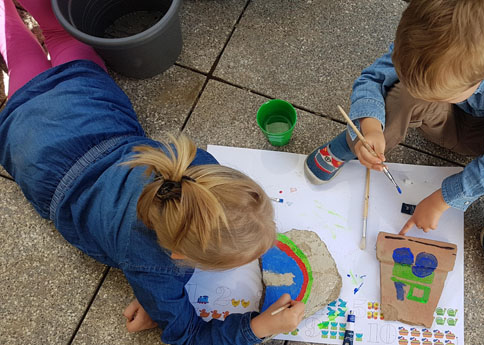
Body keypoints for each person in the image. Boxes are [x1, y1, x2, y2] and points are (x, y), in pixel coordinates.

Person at [0, 0, 304, 343]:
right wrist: (258, 328)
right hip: (33, 139)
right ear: (179, 257)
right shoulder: (153, 266)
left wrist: (156, 295)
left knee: (61, 39)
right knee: (36, 50)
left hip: (90, 107)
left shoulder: (196, 167)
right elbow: (186, 335)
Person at [304, 0, 484, 306]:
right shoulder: (427, 32)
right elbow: (374, 79)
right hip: (441, 120)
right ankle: (351, 145)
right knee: (404, 92)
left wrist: (442, 198)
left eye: (440, 92)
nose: (426, 93)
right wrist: (370, 129)